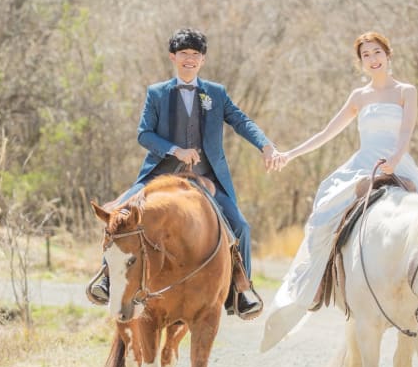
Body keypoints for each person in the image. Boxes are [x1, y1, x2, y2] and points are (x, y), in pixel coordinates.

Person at [259, 31, 418, 351]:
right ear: (360, 63)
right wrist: (290, 154)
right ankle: (318, 282)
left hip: (398, 162)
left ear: (388, 54)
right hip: (364, 164)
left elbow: (406, 130)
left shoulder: (406, 91)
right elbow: (327, 132)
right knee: (326, 207)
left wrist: (395, 161)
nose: (372, 60)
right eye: (366, 56)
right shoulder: (359, 97)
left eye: (376, 53)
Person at [87, 28, 284, 318]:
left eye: (195, 55)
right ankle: (105, 277)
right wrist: (175, 150)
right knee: (117, 213)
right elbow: (144, 134)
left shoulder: (216, 93)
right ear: (173, 57)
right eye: (184, 54)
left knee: (241, 226)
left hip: (208, 177)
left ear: (202, 60)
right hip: (159, 174)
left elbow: (241, 121)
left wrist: (266, 146)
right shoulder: (157, 93)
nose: (189, 60)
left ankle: (241, 290)